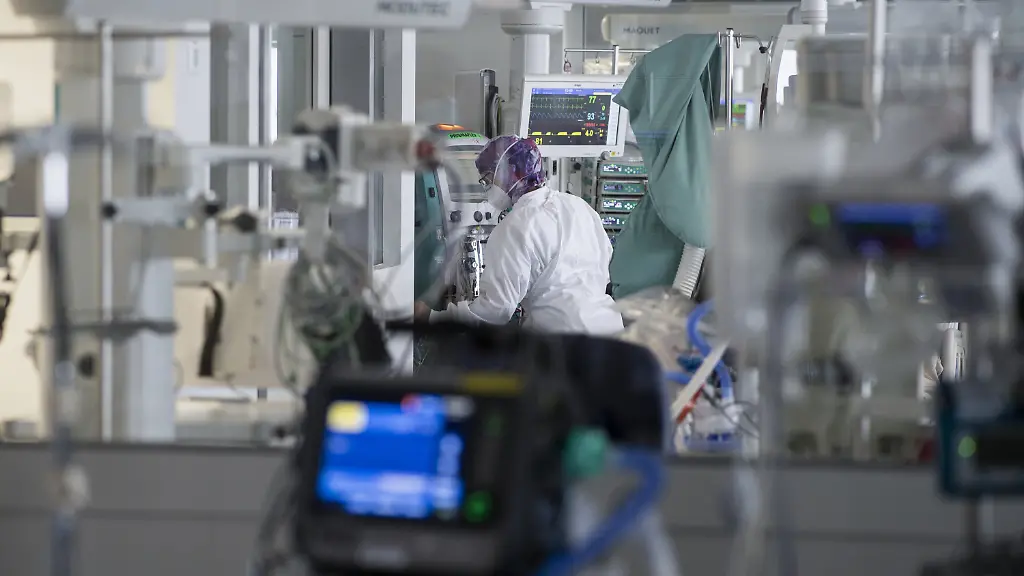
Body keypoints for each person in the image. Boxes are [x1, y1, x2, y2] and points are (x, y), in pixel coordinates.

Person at [414, 135, 623, 335]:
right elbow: (605, 268)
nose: (487, 188)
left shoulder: (516, 225)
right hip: (611, 332)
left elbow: (494, 311)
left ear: (508, 174)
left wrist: (430, 316)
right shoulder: (578, 206)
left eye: (488, 179)